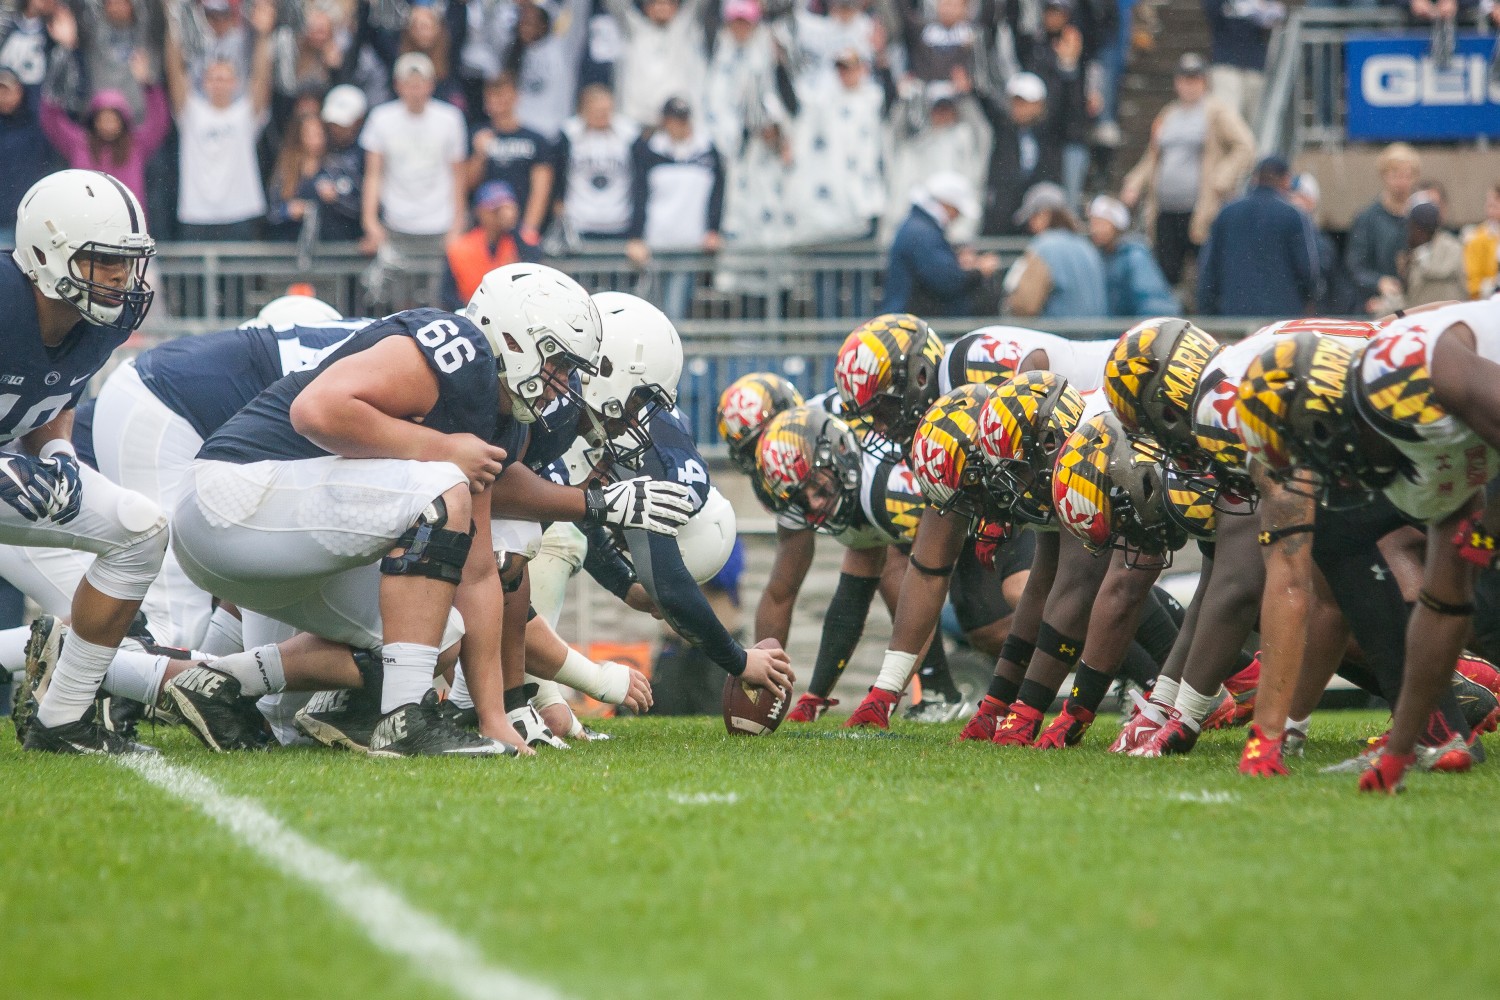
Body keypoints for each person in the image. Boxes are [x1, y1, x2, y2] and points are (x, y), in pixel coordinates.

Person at [162, 265, 695, 757]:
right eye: (555, 362)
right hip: (231, 497)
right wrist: (443, 449)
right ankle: (402, 718)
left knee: (439, 634)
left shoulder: (498, 414)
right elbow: (316, 410)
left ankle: (220, 681)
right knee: (442, 484)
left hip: (282, 545)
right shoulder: (459, 347)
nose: (560, 383)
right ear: (514, 335)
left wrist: (494, 717)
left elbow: (479, 570)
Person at [1, 169, 165, 755]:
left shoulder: (101, 322)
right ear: (46, 254)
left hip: (10, 473)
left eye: (128, 262)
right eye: (105, 261)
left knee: (140, 532)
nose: (123, 278)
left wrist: (57, 451)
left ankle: (63, 717)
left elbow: (54, 391)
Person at [1120, 52, 1254, 291]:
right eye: (1184, 79)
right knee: (1166, 275)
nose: (1189, 85)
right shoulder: (1168, 114)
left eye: (1195, 79)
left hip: (1200, 209)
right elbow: (1152, 156)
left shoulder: (1216, 112)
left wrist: (1221, 178)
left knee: (1204, 275)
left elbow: (1245, 146)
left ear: (1204, 82)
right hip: (1165, 210)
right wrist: (1134, 182)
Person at [358, 51, 468, 307]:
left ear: (431, 85)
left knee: (438, 301)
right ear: (398, 85)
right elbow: (373, 174)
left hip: (439, 224)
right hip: (397, 224)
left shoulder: (450, 118)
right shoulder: (381, 118)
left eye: (420, 83)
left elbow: (458, 175)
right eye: (409, 83)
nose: (415, 90)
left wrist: (458, 222)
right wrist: (370, 220)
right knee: (398, 302)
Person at [165, 0, 276, 240]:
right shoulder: (191, 111)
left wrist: (264, 36)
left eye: (225, 77)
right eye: (214, 77)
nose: (219, 82)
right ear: (203, 82)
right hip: (196, 213)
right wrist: (173, 19)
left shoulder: (246, 113)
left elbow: (260, 77)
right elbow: (175, 70)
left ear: (236, 82)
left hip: (241, 211)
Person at [626, 97, 724, 321]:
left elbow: (717, 194)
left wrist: (713, 229)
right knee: (652, 308)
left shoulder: (706, 149)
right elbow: (638, 195)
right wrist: (636, 236)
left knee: (676, 307)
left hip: (690, 241)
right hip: (656, 241)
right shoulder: (650, 150)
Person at [1196, 155, 1314, 317]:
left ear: (1254, 179)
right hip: (1281, 321)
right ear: (1286, 180)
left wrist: (1209, 312)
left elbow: (1209, 270)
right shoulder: (1293, 215)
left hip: (1234, 319)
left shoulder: (1227, 213)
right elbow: (1308, 272)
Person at [880, 171, 996, 316]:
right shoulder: (922, 232)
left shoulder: (919, 227)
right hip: (911, 322)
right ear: (947, 205)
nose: (957, 217)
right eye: (957, 210)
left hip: (909, 317)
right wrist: (978, 271)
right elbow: (946, 280)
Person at [971, 70, 1063, 236]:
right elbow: (989, 106)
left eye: (1025, 102)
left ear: (1039, 105)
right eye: (1016, 102)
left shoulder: (1050, 134)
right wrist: (973, 88)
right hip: (1002, 209)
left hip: (1034, 211)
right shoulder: (1004, 129)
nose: (1019, 108)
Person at [467, 73, 554, 247]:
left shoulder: (535, 139)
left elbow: (541, 187)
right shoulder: (476, 135)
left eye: (504, 95)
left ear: (516, 97)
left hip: (521, 227)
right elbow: (468, 183)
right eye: (494, 96)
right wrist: (479, 155)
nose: (499, 101)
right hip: (485, 231)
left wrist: (529, 228)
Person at [1006, 182, 1109, 318]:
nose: (1030, 226)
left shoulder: (1043, 247)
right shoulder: (1087, 247)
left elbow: (1025, 305)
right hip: (1094, 336)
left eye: (1032, 217)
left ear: (1045, 214)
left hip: (1055, 336)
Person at [603, 0, 708, 128]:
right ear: (647, 8)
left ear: (676, 6)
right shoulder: (633, 31)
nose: (662, 8)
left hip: (676, 122)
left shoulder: (685, 29)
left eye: (667, 3)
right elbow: (616, 5)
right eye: (656, 4)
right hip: (638, 123)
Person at [556, 84, 639, 243]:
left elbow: (639, 181)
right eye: (597, 111)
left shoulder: (629, 135)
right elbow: (559, 176)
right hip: (579, 223)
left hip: (619, 222)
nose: (602, 115)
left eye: (606, 110)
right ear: (584, 110)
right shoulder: (569, 135)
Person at [1346, 142, 1421, 315]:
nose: (1401, 182)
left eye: (1407, 176)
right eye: (1395, 175)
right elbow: (1354, 266)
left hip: (1415, 305)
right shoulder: (1367, 218)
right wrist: (1379, 282)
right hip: (1378, 306)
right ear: (1384, 176)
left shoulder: (1419, 218)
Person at [441, 181, 540, 310]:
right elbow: (446, 293)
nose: (500, 215)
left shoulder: (522, 240)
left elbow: (533, 267)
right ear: (480, 211)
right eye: (494, 210)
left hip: (512, 313)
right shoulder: (461, 246)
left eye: (506, 209)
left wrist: (512, 228)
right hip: (469, 313)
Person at [1087, 194, 1180, 317]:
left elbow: (1153, 302)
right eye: (1093, 223)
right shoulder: (1096, 256)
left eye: (1101, 223)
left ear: (1116, 226)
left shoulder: (1134, 256)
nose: (1095, 229)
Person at [1201, 0, 1282, 127]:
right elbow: (1212, 12)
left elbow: (1276, 16)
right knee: (1227, 119)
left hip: (1255, 66)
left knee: (1257, 122)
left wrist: (1258, 8)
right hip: (1226, 65)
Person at [1288, 172, 1358, 315]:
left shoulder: (1321, 242)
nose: (1294, 202)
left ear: (1312, 201)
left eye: (1300, 196)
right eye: (1290, 196)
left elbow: (1334, 286)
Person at [1377, 201, 1465, 311]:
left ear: (1421, 230)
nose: (1408, 232)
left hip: (1444, 319)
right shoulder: (1412, 254)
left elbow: (1437, 271)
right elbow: (1407, 300)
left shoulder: (1451, 248)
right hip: (1421, 320)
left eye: (1411, 227)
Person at [0, 68, 52, 246]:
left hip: (32, 217)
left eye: (7, 90)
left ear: (20, 91)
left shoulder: (38, 124)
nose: (3, 96)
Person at [1463, 183, 1500, 299]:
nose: (1491, 210)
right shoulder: (1476, 238)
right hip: (1489, 300)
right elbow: (1472, 281)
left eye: (1495, 205)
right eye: (1490, 205)